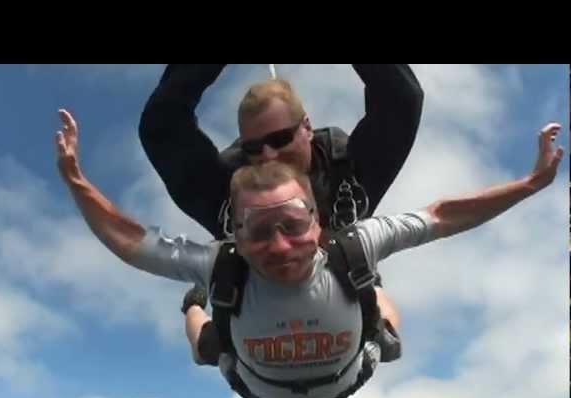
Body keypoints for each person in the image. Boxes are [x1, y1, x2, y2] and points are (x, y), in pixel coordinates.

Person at [57, 108, 563, 398]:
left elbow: (443, 215)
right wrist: (78, 182)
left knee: (380, 317)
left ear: (319, 221)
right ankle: (193, 305)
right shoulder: (220, 263)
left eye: (294, 225)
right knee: (206, 341)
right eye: (256, 231)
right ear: (233, 231)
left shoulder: (353, 242)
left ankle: (378, 319)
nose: (279, 247)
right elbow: (129, 240)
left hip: (347, 373)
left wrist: (530, 183)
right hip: (256, 386)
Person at [139, 64, 425, 333]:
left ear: (307, 127)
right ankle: (193, 305)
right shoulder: (227, 191)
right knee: (206, 343)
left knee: (373, 298)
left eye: (280, 140)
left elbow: (400, 99)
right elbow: (162, 126)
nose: (268, 156)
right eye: (253, 147)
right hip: (254, 323)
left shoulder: (349, 171)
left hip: (344, 311)